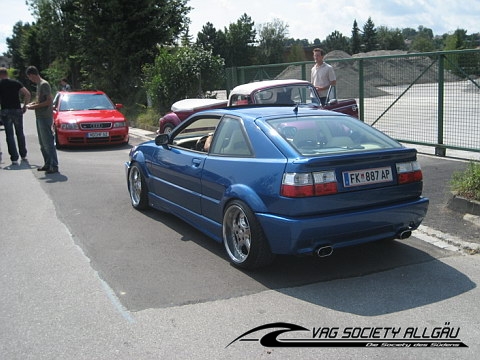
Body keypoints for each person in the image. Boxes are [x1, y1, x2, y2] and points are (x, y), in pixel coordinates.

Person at [25, 66, 59, 174]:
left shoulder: (44, 84)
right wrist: (33, 103)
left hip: (45, 117)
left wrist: (34, 107)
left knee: (48, 142)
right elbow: (40, 100)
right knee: (42, 143)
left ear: (32, 75)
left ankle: (54, 165)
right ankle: (47, 163)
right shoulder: (38, 85)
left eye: (30, 77)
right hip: (39, 117)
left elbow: (49, 101)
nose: (30, 79)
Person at [0, 67, 31, 165]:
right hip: (17, 110)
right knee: (20, 133)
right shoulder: (16, 83)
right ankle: (23, 154)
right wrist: (25, 106)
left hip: (5, 110)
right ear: (6, 74)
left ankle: (14, 157)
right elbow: (27, 94)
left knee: (9, 135)